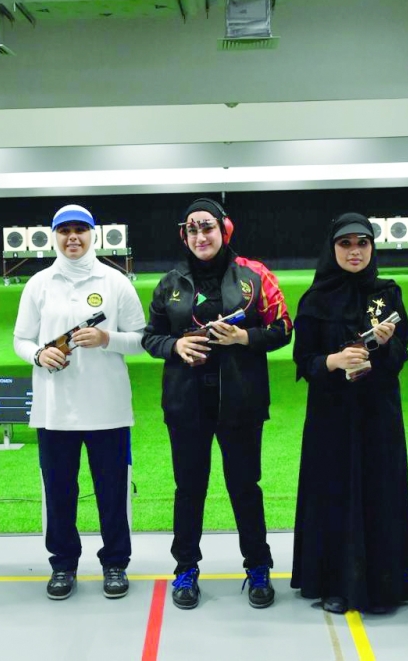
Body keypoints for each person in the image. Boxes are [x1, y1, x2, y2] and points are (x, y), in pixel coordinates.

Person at [142, 197, 292, 610]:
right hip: (186, 404)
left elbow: (283, 328)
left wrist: (244, 337)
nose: (200, 236)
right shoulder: (169, 283)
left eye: (207, 227)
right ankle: (185, 569)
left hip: (240, 403)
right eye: (191, 229)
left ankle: (258, 567)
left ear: (224, 229)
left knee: (245, 488)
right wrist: (176, 346)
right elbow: (150, 337)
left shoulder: (255, 275)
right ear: (184, 236)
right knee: (189, 490)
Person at [13, 204, 146, 601]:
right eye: (64, 230)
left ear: (93, 235)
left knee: (112, 492)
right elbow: (21, 339)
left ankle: (115, 563)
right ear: (54, 235)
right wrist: (39, 355)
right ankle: (63, 565)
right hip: (54, 411)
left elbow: (142, 339)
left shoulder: (115, 282)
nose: (73, 237)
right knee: (58, 493)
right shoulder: (39, 283)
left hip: (107, 410)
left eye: (80, 230)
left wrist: (107, 339)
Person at [290, 212, 408, 615]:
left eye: (363, 242)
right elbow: (304, 360)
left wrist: (386, 345)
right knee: (334, 492)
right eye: (345, 244)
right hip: (331, 416)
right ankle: (334, 583)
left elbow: (401, 356)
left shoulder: (388, 294)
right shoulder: (314, 300)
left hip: (379, 413)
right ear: (332, 249)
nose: (355, 251)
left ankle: (383, 585)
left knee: (380, 491)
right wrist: (334, 360)